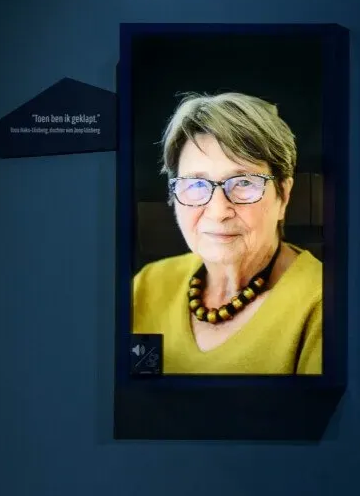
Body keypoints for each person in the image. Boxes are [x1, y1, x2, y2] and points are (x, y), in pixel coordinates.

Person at [131, 92, 323, 374]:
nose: (218, 210)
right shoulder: (147, 285)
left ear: (283, 194)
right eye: (196, 184)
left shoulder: (321, 304)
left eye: (244, 182)